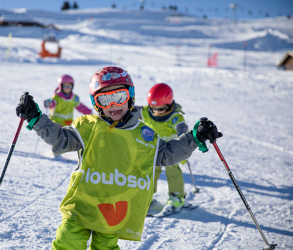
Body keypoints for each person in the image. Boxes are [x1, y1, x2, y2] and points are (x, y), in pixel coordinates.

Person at [16, 66, 222, 249]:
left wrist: (193, 138)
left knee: (105, 246)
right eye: (104, 99)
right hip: (82, 205)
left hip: (114, 211)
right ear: (96, 103)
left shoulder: (144, 134)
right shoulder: (89, 126)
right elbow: (61, 140)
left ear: (130, 96)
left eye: (120, 96)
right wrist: (36, 118)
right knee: (68, 241)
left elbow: (166, 154)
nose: (113, 104)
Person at [136, 83, 190, 212]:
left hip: (171, 150)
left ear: (169, 104)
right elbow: (130, 110)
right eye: (153, 108)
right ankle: (146, 195)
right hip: (154, 150)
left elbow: (181, 127)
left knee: (173, 170)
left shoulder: (174, 117)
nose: (156, 112)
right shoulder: (145, 113)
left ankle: (177, 197)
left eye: (160, 109)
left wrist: (182, 136)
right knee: (150, 170)